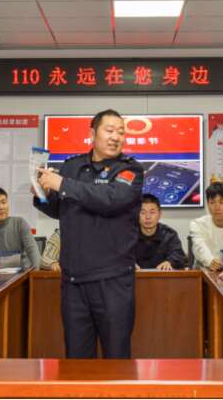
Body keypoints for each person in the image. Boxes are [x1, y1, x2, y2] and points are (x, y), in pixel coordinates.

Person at [35, 109, 144, 359]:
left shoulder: (130, 170)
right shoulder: (71, 167)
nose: (116, 137)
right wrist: (42, 193)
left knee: (116, 358)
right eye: (110, 130)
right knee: (76, 359)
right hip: (73, 282)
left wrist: (62, 185)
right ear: (93, 134)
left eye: (121, 132)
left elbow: (111, 199)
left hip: (113, 281)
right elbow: (60, 210)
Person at [135, 194, 185, 270]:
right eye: (143, 212)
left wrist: (170, 262)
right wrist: (128, 264)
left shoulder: (169, 235)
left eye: (152, 212)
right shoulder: (129, 234)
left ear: (160, 214)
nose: (148, 217)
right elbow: (120, 256)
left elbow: (179, 256)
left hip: (163, 276)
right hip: (134, 277)